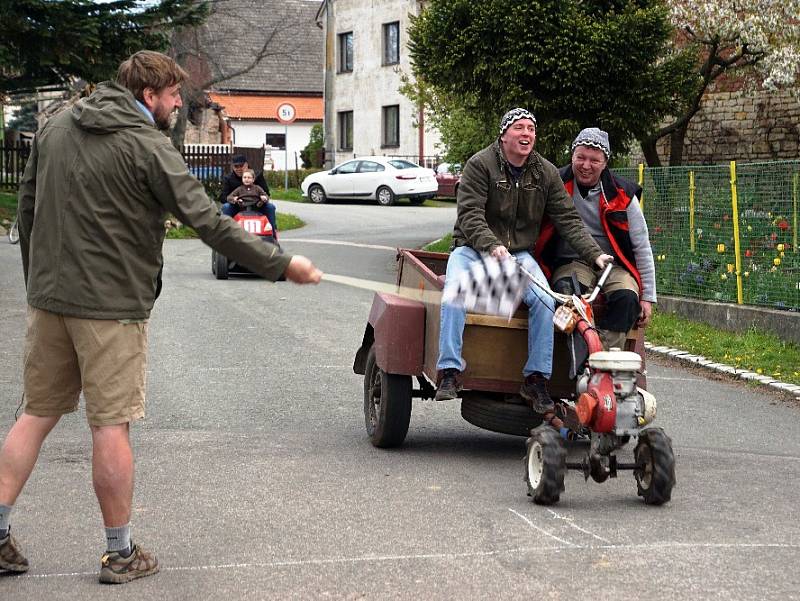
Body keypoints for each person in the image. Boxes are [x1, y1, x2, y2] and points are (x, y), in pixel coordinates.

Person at [0, 50, 321, 584]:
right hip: (110, 309)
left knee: (35, 416)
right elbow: (208, 222)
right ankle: (120, 553)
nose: (178, 105)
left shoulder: (55, 128)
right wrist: (282, 264)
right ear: (149, 95)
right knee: (110, 424)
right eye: (174, 95)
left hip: (51, 301)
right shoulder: (147, 145)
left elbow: (27, 207)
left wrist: (40, 285)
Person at [436, 108, 612, 412]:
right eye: (519, 128)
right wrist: (491, 246)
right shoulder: (481, 164)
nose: (526, 134)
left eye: (531, 128)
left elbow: (567, 218)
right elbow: (470, 215)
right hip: (473, 249)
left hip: (517, 255)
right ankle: (449, 371)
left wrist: (594, 254)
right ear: (504, 135)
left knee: (545, 301)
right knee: (454, 292)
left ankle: (536, 379)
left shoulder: (544, 172)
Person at [536, 127, 656, 350]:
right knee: (568, 295)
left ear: (605, 162)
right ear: (572, 156)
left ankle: (603, 358)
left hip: (614, 267)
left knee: (627, 298)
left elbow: (642, 246)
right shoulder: (554, 184)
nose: (586, 166)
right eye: (580, 157)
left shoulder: (623, 195)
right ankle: (580, 354)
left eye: (594, 160)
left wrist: (647, 297)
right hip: (572, 262)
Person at [220, 154, 278, 238]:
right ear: (233, 167)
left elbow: (266, 193)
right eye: (236, 166)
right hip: (237, 206)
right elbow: (223, 197)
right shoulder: (228, 179)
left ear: (246, 165)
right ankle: (226, 236)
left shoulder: (257, 176)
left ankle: (272, 235)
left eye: (241, 166)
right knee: (226, 207)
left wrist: (262, 199)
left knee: (270, 207)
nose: (239, 169)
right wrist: (234, 199)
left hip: (257, 206)